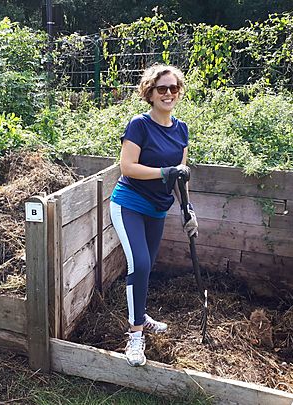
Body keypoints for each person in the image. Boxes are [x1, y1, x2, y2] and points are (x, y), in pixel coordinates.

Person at [109, 64, 199, 367]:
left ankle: (141, 316)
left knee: (147, 267)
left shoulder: (182, 129)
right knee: (140, 263)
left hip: (158, 209)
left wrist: (187, 208)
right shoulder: (139, 125)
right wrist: (164, 171)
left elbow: (180, 175)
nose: (169, 93)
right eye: (162, 88)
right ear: (150, 92)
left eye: (174, 88)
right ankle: (135, 337)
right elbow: (128, 167)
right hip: (130, 204)